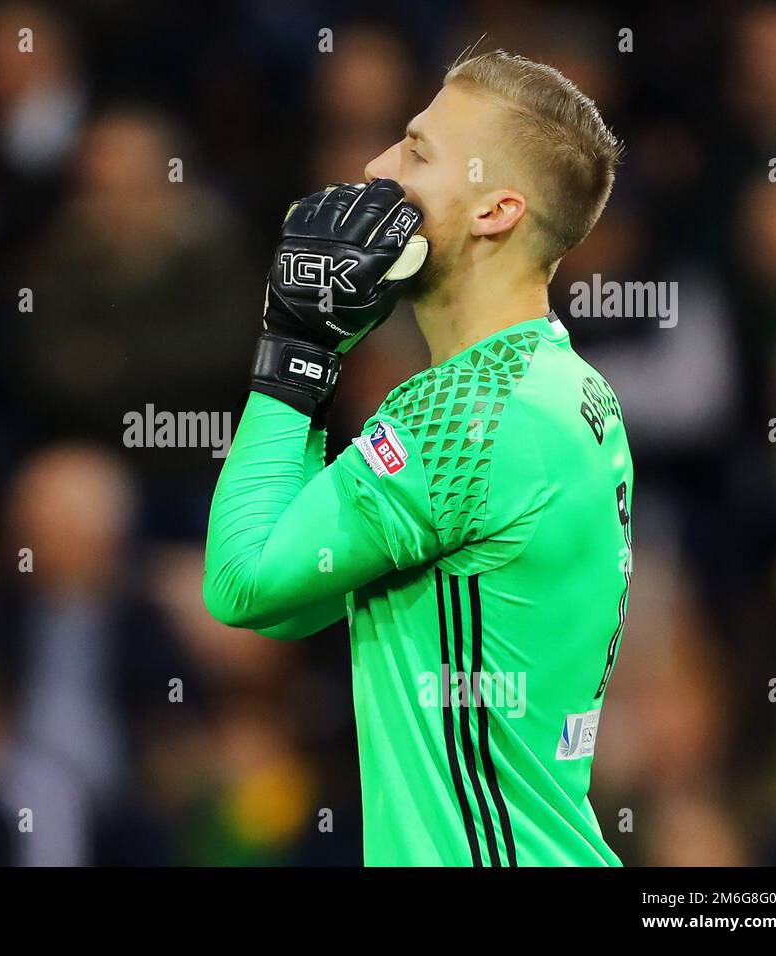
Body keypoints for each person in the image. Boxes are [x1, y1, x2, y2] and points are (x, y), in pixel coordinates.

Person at [203, 50, 631, 866]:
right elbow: (297, 601)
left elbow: (241, 585)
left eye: (417, 151)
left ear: (496, 210)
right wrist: (323, 355)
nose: (375, 168)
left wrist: (292, 349)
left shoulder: (466, 415)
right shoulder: (568, 386)